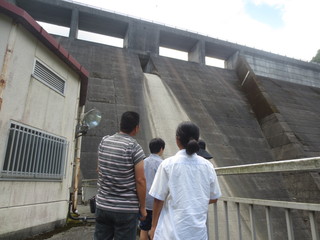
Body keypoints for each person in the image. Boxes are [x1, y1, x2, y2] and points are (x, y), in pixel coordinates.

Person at [149, 121, 221, 240]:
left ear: (177, 140)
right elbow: (214, 197)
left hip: (170, 232)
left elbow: (158, 199)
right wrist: (194, 200)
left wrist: (153, 227)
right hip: (198, 234)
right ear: (197, 140)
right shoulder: (208, 166)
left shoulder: (168, 164)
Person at [94, 111, 147, 240]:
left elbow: (99, 169)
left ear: (121, 124)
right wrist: (143, 207)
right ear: (136, 128)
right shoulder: (135, 148)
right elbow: (140, 180)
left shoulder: (104, 141)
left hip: (103, 206)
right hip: (126, 209)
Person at [139, 138, 165, 240]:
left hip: (144, 201)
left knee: (144, 228)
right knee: (156, 229)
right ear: (161, 149)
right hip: (157, 202)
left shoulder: (143, 162)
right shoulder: (162, 164)